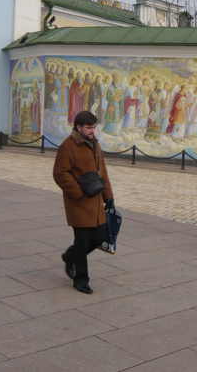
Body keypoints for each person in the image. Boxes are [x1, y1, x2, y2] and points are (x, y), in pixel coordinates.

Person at [53, 111, 114, 294]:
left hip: (95, 201)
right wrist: (78, 192)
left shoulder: (95, 144)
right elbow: (60, 173)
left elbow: (102, 172)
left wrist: (109, 197)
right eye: (88, 127)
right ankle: (81, 280)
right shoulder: (68, 146)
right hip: (78, 203)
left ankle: (70, 256)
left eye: (94, 127)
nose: (92, 130)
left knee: (100, 237)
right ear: (78, 127)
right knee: (82, 241)